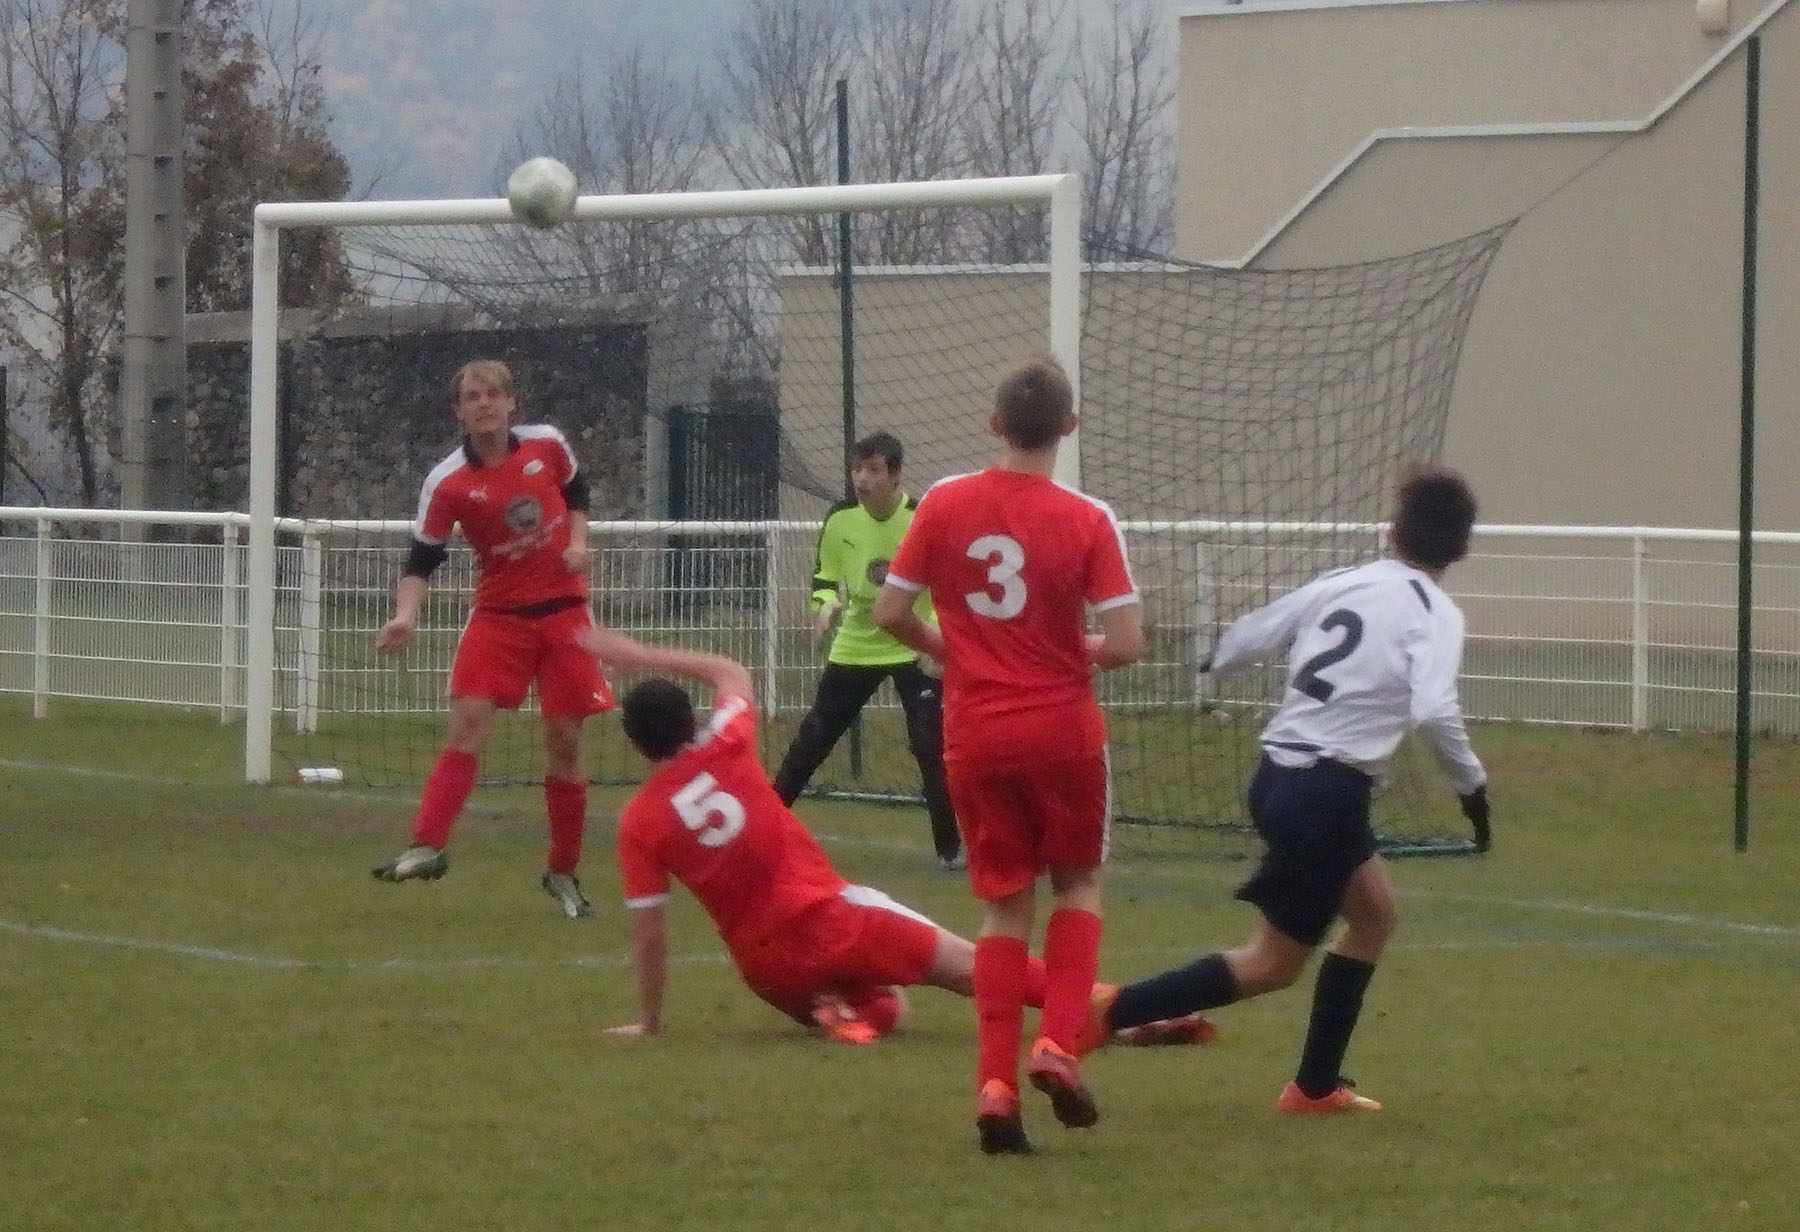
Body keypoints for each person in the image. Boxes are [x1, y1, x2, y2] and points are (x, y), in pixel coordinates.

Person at [1083, 465, 1493, 1115]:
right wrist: (1471, 789)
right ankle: (1104, 1015)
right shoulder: (1436, 614)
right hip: (1325, 794)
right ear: (1462, 548)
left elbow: (1259, 630)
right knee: (1272, 964)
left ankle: (1316, 1086)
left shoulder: (1346, 581)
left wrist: (1216, 660)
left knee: (1374, 918)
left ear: (1392, 532)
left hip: (1280, 776)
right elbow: (1434, 709)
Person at [588, 626, 1209, 1054]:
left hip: (768, 969)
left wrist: (648, 1021)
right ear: (691, 719)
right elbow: (730, 671)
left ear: (635, 744)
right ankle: (1122, 1014)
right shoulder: (728, 742)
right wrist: (640, 654)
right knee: (970, 966)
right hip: (831, 919)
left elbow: (650, 933)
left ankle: (840, 1007)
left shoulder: (640, 821)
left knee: (892, 1009)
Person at [872, 352, 1147, 1155]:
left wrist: (952, 649)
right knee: (1078, 885)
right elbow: (1127, 642)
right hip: (1062, 730)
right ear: (1069, 427)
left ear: (993, 424)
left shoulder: (945, 502)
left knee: (1003, 906)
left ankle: (994, 1086)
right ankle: (1056, 1043)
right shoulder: (1087, 518)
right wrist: (1069, 649)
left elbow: (889, 612)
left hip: (976, 732)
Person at [370, 359, 611, 920]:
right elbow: (422, 558)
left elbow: (577, 493)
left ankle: (563, 871)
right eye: (472, 397)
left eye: (492, 395)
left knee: (565, 741)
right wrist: (405, 615)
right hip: (499, 616)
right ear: (458, 411)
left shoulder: (547, 445)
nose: (483, 404)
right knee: (468, 722)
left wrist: (578, 542)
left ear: (510, 403)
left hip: (565, 612)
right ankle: (427, 846)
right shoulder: (448, 480)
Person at [771, 431, 962, 870]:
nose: (862, 478)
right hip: (857, 642)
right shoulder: (840, 518)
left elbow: (948, 583)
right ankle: (763, 827)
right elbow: (823, 580)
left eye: (874, 470)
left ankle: (950, 850)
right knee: (814, 736)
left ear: (895, 475)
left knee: (929, 741)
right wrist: (825, 605)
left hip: (914, 641)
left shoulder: (922, 517)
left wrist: (936, 635)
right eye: (857, 469)